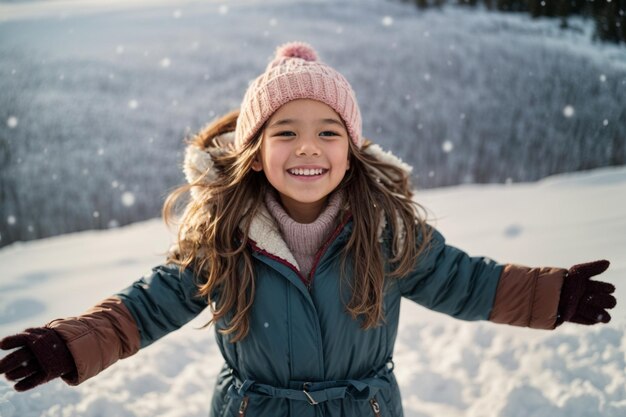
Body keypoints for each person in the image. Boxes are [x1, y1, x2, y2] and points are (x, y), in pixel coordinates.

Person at [0, 42, 617, 417]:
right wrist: (70, 341)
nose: (308, 148)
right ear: (255, 150)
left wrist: (552, 293)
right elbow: (145, 307)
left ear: (351, 150)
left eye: (328, 131)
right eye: (285, 131)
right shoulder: (224, 238)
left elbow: (467, 282)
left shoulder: (385, 231)